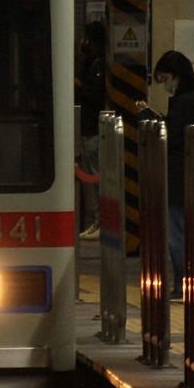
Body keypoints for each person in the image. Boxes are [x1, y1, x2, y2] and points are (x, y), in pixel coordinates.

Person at [136, 51, 194, 299]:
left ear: (176, 74)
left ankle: (182, 284)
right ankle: (184, 282)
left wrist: (148, 118)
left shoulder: (186, 102)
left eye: (165, 77)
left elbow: (172, 136)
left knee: (176, 235)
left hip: (180, 178)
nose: (164, 83)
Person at [75, 20, 107, 240]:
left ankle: (100, 221)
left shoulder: (99, 64)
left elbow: (95, 95)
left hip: (93, 128)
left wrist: (78, 86)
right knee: (90, 177)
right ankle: (96, 221)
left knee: (96, 176)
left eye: (87, 37)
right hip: (86, 128)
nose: (83, 42)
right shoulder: (88, 62)